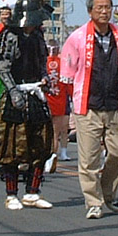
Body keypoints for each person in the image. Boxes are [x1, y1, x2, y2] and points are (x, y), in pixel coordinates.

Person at [60, 0, 118, 220]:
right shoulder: (78, 37)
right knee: (89, 158)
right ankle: (93, 202)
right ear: (90, 11)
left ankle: (107, 193)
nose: (104, 11)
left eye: (107, 7)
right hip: (88, 106)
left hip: (115, 105)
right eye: (99, 7)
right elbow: (68, 74)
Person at [0, 0, 54, 210]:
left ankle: (32, 192)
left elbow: (42, 63)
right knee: (11, 147)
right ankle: (11, 194)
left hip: (35, 93)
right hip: (16, 94)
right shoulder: (9, 36)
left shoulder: (38, 37)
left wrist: (45, 79)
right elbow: (1, 66)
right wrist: (12, 90)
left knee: (41, 144)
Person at [44, 41, 70, 173]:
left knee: (42, 132)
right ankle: (51, 157)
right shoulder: (63, 64)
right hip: (60, 102)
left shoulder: (42, 63)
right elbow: (69, 83)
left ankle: (44, 158)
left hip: (43, 101)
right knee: (55, 133)